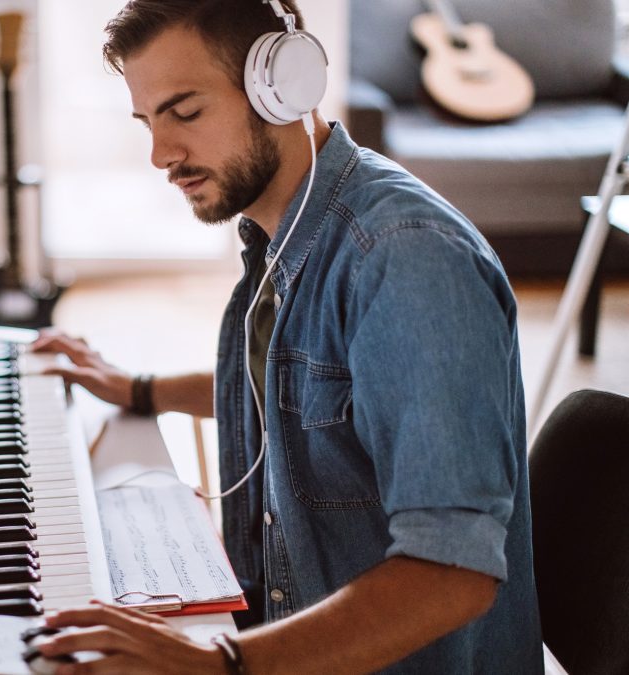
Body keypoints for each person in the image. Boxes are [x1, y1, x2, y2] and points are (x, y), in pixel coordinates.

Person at [30, 0, 543, 673]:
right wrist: (138, 388)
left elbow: (453, 573)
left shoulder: (407, 259)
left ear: (285, 87)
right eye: (147, 121)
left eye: (185, 112)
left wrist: (219, 662)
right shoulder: (291, 233)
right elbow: (301, 388)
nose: (160, 154)